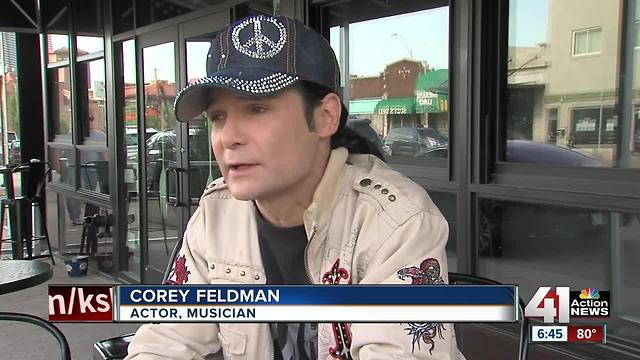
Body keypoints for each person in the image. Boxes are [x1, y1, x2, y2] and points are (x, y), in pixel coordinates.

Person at [126, 14, 463, 360]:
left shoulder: (396, 221)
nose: (228, 137)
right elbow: (163, 340)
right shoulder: (216, 213)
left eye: (257, 109)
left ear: (325, 117)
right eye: (218, 117)